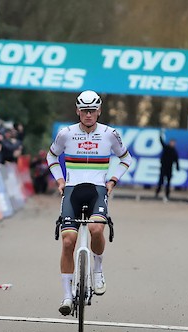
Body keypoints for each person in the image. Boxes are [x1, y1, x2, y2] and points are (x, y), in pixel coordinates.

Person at [47, 90, 132, 316]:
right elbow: (51, 156)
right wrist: (60, 180)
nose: (88, 114)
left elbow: (126, 158)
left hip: (97, 189)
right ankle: (67, 295)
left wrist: (113, 180)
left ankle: (98, 269)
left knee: (96, 229)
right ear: (77, 110)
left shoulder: (109, 134)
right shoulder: (65, 134)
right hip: (73, 189)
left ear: (99, 111)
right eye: (84, 110)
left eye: (92, 110)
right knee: (68, 241)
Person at [155, 133, 180, 201]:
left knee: (168, 182)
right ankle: (157, 193)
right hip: (163, 167)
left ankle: (167, 194)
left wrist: (178, 167)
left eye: (173, 143)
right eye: (172, 142)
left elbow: (176, 159)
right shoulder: (166, 147)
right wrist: (160, 136)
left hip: (169, 168)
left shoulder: (174, 151)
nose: (172, 143)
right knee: (161, 181)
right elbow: (162, 142)